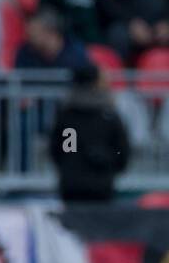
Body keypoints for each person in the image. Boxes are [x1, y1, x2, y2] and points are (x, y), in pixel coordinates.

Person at [48, 64, 130, 202]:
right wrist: (109, 163)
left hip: (71, 184)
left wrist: (69, 166)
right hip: (102, 183)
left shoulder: (67, 115)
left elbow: (59, 150)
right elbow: (122, 150)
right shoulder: (108, 115)